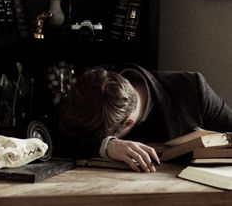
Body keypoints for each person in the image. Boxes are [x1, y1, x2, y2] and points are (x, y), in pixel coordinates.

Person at [56, 63, 232, 172]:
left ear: (128, 123)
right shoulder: (91, 89)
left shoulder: (192, 89)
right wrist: (107, 145)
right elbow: (56, 138)